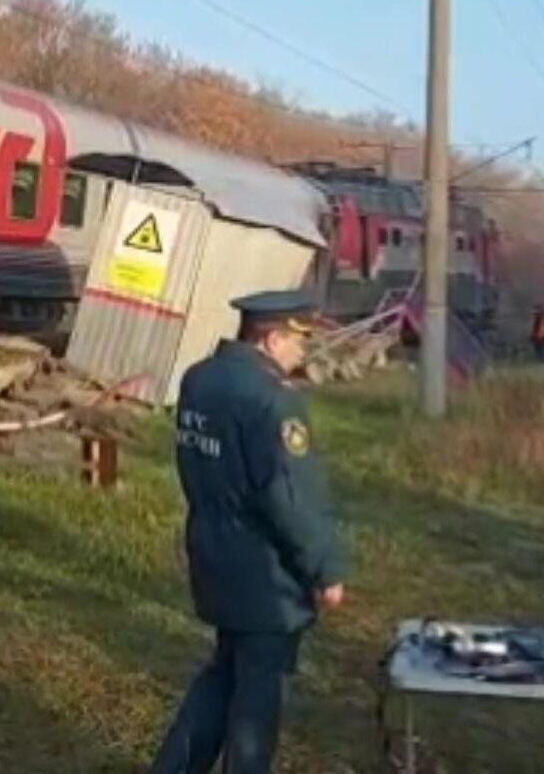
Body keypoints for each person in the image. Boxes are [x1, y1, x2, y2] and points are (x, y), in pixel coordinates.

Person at [150, 290, 346, 774]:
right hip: (263, 567)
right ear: (272, 338)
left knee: (223, 673)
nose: (301, 353)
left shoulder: (200, 380)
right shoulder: (272, 399)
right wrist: (326, 568)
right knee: (257, 700)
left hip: (211, 547)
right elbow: (290, 497)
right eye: (298, 341)